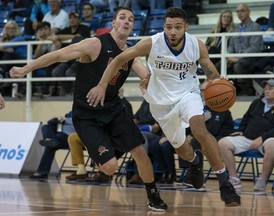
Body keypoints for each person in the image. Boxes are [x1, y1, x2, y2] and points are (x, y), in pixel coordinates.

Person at [10, 7, 167, 211]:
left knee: (139, 151)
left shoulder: (131, 53)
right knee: (110, 168)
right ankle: (102, 147)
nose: (127, 21)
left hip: (113, 111)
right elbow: (58, 55)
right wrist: (25, 69)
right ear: (113, 22)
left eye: (131, 19)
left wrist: (147, 80)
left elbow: (144, 73)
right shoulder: (95, 44)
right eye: (122, 18)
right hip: (87, 115)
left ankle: (153, 194)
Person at [89, 7, 241, 207]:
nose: (173, 32)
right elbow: (119, 59)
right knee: (182, 150)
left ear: (186, 27)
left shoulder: (197, 46)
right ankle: (195, 163)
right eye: (169, 27)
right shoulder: (152, 43)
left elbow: (211, 75)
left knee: (199, 128)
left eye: (178, 27)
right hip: (160, 104)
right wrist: (102, 84)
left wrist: (221, 82)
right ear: (164, 27)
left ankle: (225, 183)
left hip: (188, 94)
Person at [218, 79, 274, 191]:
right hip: (248, 138)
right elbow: (245, 118)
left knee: (272, 146)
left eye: (270, 89)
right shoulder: (256, 103)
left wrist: (261, 138)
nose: (267, 91)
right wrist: (241, 130)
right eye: (265, 89)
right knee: (223, 143)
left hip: (270, 139)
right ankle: (233, 178)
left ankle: (262, 180)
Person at [227, 3, 264, 96]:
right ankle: (227, 90)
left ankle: (249, 89)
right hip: (236, 57)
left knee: (238, 66)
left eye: (242, 11)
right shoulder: (235, 28)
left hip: (251, 56)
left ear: (248, 12)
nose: (240, 13)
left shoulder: (255, 26)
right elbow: (231, 46)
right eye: (238, 11)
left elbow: (254, 47)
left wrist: (238, 57)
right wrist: (230, 56)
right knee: (220, 64)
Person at [30, 111, 75, 179]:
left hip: (70, 136)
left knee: (52, 144)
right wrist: (58, 119)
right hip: (59, 132)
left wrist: (67, 120)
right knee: (45, 127)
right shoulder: (71, 112)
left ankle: (42, 172)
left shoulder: (85, 113)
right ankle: (49, 140)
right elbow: (50, 122)